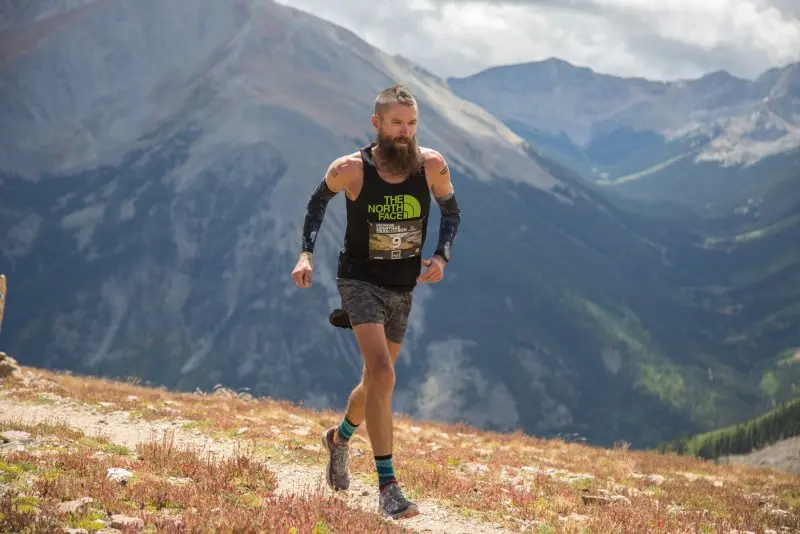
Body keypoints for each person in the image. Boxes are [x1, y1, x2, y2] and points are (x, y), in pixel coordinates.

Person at [290, 84, 461, 520]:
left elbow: (452, 212)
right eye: (397, 123)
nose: (405, 132)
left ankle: (339, 438)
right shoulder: (351, 169)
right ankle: (388, 487)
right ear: (377, 124)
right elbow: (316, 202)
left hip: (403, 287)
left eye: (412, 123)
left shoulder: (432, 165)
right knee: (384, 373)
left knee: (375, 384)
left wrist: (441, 255)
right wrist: (306, 253)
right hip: (358, 282)